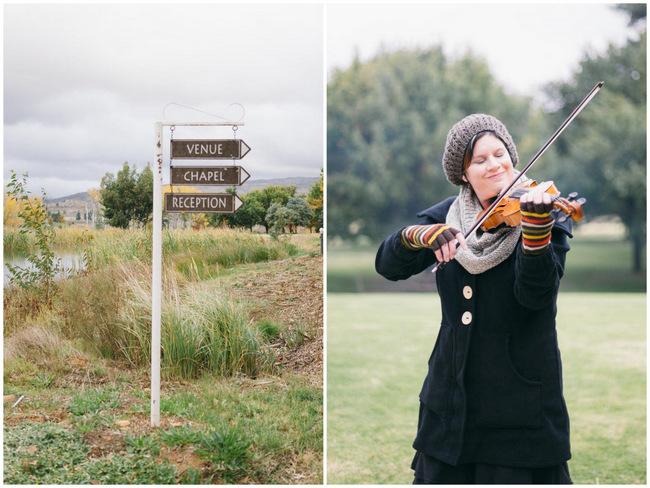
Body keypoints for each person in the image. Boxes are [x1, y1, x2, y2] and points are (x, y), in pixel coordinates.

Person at [375, 114, 573, 484]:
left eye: (500, 154)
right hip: (451, 399)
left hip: (518, 402)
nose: (494, 164)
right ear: (463, 173)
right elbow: (388, 266)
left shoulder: (545, 212)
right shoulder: (448, 215)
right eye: (479, 160)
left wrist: (536, 233)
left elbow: (536, 297)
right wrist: (417, 235)